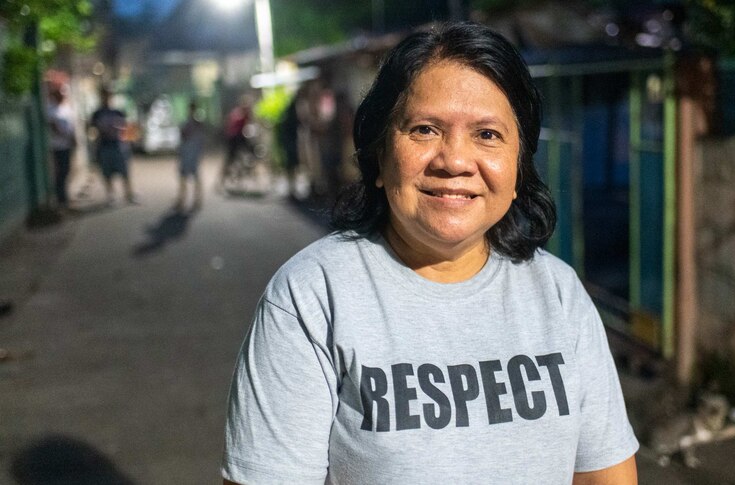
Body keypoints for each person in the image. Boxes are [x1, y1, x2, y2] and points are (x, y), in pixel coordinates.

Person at [222, 22, 639, 485]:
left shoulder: (559, 294)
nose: (454, 161)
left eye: (487, 134)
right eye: (424, 129)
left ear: (519, 166)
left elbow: (605, 475)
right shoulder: (312, 297)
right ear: (379, 157)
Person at [90, 87, 135, 204]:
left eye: (108, 96)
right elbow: (92, 130)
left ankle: (129, 194)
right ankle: (111, 195)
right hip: (104, 146)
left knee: (124, 171)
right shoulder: (97, 114)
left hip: (118, 145)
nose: (106, 98)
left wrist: (128, 142)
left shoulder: (118, 112)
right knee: (107, 172)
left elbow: (127, 129)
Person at [46, 87, 76, 209]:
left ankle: (64, 197)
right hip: (57, 146)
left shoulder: (66, 108)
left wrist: (72, 139)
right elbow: (53, 126)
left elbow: (71, 126)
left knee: (66, 170)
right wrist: (64, 135)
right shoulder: (50, 109)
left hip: (67, 145)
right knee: (61, 172)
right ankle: (61, 199)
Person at [175, 100, 205, 211]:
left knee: (186, 177)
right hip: (191, 153)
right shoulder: (197, 123)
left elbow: (183, 137)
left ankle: (185, 200)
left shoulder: (191, 123)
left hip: (189, 153)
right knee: (191, 177)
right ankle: (189, 200)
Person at [219, 96, 253, 187]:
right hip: (236, 139)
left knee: (232, 160)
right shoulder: (242, 114)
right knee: (239, 158)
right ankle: (224, 180)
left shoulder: (235, 112)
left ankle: (224, 180)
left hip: (233, 139)